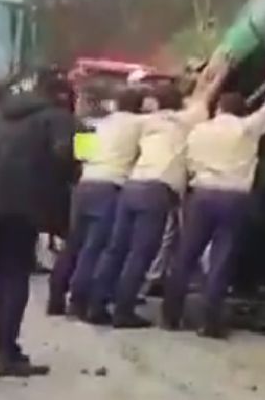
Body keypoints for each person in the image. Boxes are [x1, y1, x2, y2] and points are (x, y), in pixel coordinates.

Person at [87, 56, 228, 328]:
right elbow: (205, 97)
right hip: (157, 190)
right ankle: (123, 311)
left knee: (116, 249)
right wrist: (220, 74)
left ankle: (97, 303)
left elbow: (197, 96)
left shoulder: (148, 121)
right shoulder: (187, 120)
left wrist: (205, 74)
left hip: (132, 186)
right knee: (141, 252)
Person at [162, 56, 265, 338]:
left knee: (186, 254)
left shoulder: (198, 130)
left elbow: (186, 157)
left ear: (219, 108)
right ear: (240, 111)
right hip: (234, 200)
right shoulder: (247, 129)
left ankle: (171, 314)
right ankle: (210, 322)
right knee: (222, 258)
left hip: (201, 196)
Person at [0, 68, 76, 378]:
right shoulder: (60, 118)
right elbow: (76, 157)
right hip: (24, 207)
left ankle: (1, 346)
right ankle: (7, 352)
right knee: (17, 275)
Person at [47, 87, 146, 318]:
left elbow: (81, 156)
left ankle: (56, 296)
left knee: (73, 243)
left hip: (85, 183)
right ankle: (79, 301)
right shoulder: (139, 125)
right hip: (110, 186)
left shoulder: (93, 125)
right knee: (95, 247)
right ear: (139, 106)